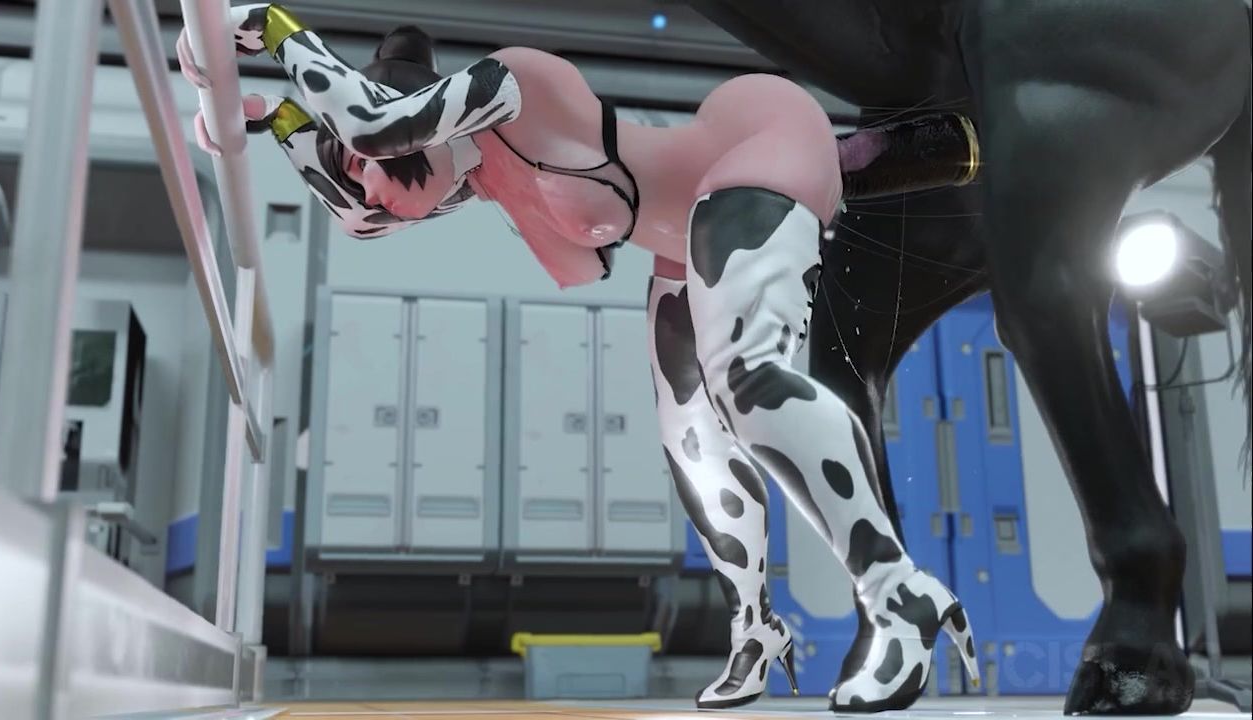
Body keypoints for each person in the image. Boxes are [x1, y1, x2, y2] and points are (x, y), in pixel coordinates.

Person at [179, 4, 979, 710]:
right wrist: (267, 119)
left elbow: (371, 129)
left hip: (753, 148)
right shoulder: (475, 177)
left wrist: (270, 27)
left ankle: (897, 593)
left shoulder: (512, 86)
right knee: (691, 443)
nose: (362, 187)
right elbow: (361, 212)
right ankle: (754, 628)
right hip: (682, 231)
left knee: (746, 380)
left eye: (361, 169)